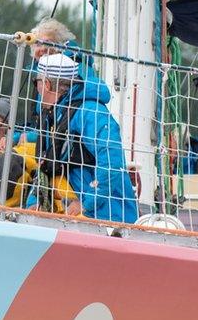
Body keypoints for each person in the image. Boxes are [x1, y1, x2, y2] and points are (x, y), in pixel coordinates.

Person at [26, 54, 139, 223]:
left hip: (108, 218)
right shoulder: (55, 114)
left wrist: (86, 204)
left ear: (46, 85)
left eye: (37, 83)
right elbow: (46, 164)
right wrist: (34, 202)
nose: (37, 89)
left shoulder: (91, 112)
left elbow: (111, 162)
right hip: (72, 213)